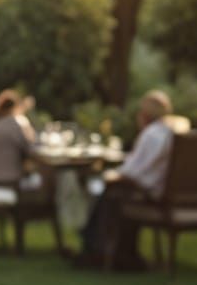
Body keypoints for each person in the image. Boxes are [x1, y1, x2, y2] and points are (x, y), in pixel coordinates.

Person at [74, 89, 176, 269]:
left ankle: (96, 251)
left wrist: (111, 176)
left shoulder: (151, 135)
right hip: (163, 192)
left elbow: (133, 171)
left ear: (144, 114)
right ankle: (109, 251)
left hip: (147, 193)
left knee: (108, 193)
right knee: (110, 194)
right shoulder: (170, 133)